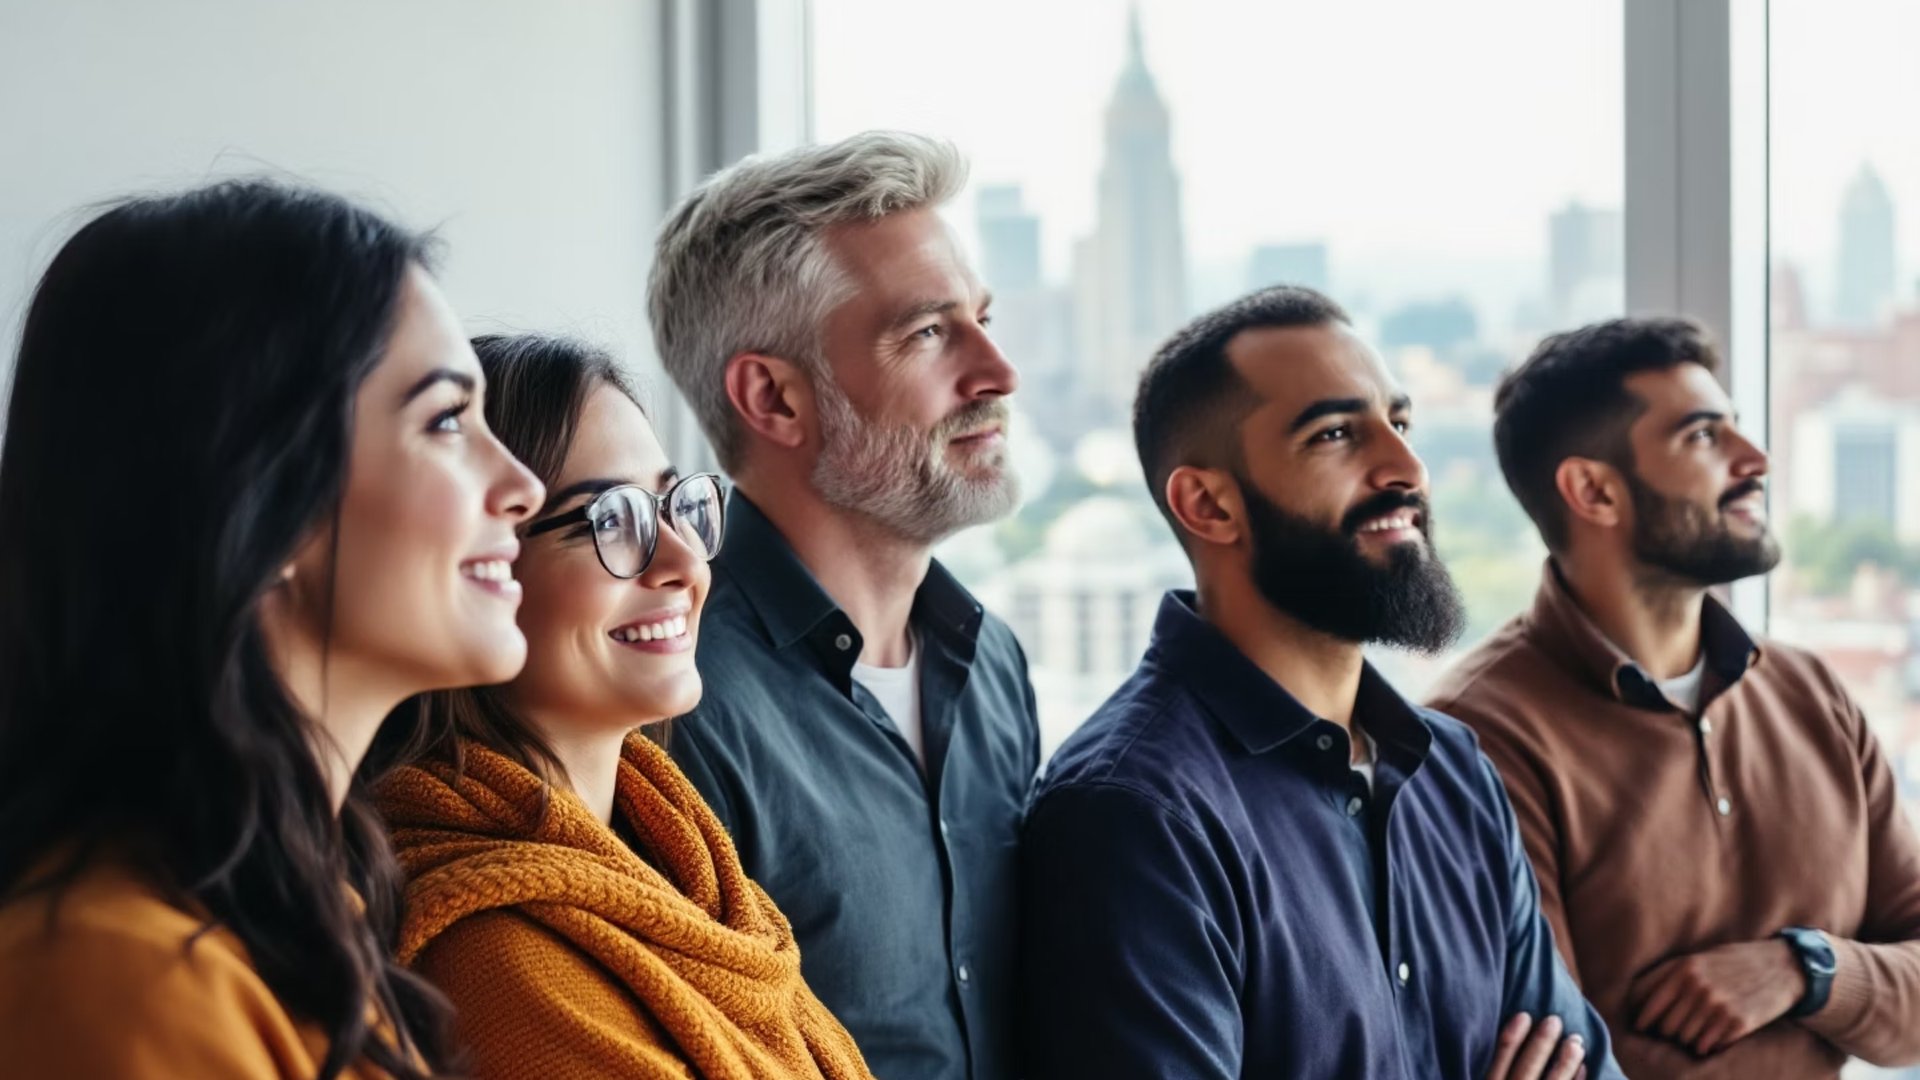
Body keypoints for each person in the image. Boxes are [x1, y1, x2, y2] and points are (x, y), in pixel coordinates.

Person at [0, 181, 545, 1078]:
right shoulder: (125, 975)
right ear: (264, 493)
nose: (522, 483)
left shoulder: (311, 913)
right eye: (446, 418)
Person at [1018, 286, 1623, 1080]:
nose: (1406, 469)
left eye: (1399, 424)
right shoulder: (1134, 814)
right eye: (1335, 434)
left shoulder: (1454, 771)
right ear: (1208, 504)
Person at [1427, 316, 1920, 1078]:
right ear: (1593, 489)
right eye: (1702, 437)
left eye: (1738, 430)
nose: (1754, 460)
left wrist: (1807, 971)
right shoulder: (1476, 737)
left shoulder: (1812, 694)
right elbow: (1543, 1058)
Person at [372, 334, 872, 1080]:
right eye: (609, 521)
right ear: (477, 568)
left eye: (676, 507)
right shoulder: (496, 956)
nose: (683, 562)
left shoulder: (680, 859)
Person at [647, 131, 1038, 1079]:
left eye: (981, 318)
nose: (996, 372)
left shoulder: (992, 663)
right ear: (774, 399)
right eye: (930, 333)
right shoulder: (677, 706)